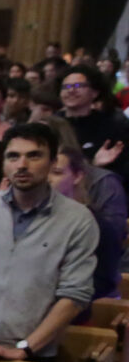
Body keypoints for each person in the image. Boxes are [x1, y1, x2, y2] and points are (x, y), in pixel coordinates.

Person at [0, 123, 99, 362]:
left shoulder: (78, 220)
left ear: (52, 162)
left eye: (34, 155)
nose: (22, 165)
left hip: (34, 353)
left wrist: (24, 348)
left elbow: (74, 296)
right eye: (13, 156)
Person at [50, 119, 127, 305]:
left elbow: (102, 283)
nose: (47, 179)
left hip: (80, 307)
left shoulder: (96, 225)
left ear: (77, 176)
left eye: (56, 172)